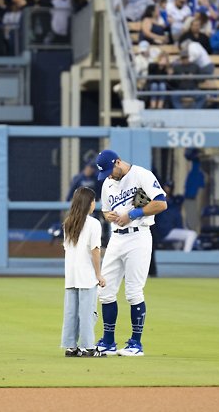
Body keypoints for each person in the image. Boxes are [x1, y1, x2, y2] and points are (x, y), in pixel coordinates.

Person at [93, 149, 167, 356]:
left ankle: (136, 343)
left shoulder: (141, 175)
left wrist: (133, 214)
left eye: (110, 170)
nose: (108, 175)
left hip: (138, 236)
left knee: (133, 292)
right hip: (117, 237)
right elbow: (106, 210)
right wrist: (109, 216)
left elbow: (161, 203)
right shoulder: (108, 183)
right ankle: (108, 341)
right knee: (105, 290)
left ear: (118, 162)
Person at [60, 187, 107, 357]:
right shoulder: (93, 223)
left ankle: (70, 346)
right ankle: (88, 347)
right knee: (87, 312)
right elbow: (95, 250)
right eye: (93, 201)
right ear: (89, 203)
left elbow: (67, 249)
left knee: (71, 311)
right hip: (86, 274)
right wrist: (98, 274)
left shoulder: (68, 222)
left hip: (71, 274)